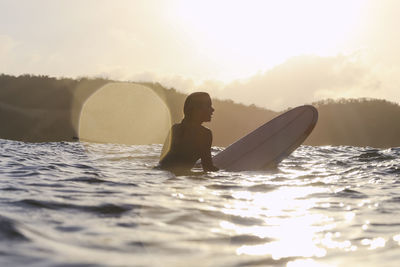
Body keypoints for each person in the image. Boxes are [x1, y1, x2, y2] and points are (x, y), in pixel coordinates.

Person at [159, 92, 219, 175]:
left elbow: (162, 162)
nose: (212, 109)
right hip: (182, 177)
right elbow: (208, 167)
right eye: (208, 106)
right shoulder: (204, 134)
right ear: (197, 110)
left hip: (161, 174)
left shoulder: (175, 129)